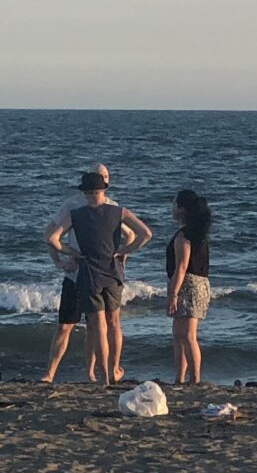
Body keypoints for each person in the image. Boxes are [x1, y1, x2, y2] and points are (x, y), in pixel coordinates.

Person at [45, 170, 151, 385]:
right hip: (113, 272)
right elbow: (145, 234)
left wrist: (70, 253)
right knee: (114, 323)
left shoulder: (77, 214)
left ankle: (104, 377)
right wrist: (123, 250)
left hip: (89, 273)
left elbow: (52, 238)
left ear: (85, 192)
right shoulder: (118, 211)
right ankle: (113, 370)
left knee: (98, 325)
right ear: (104, 190)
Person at [42, 164, 111, 384]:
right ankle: (50, 372)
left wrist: (118, 257)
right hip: (74, 274)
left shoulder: (112, 207)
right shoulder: (73, 206)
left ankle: (90, 372)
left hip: (97, 275)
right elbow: (50, 235)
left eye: (105, 177)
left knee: (94, 325)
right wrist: (60, 261)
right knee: (65, 325)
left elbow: (125, 238)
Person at [166, 189, 214, 385]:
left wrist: (173, 294)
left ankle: (194, 379)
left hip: (189, 286)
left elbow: (182, 267)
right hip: (199, 285)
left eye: (175, 205)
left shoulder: (184, 237)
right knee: (179, 334)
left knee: (187, 335)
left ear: (182, 209)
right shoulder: (197, 235)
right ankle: (180, 377)